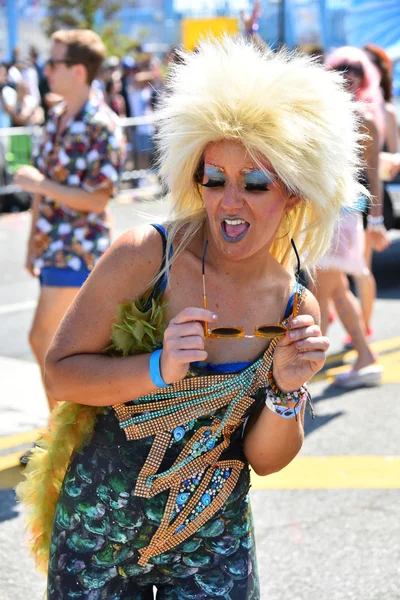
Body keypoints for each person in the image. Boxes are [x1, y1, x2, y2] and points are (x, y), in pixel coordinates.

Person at [18, 37, 361, 598]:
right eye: (214, 178)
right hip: (100, 533)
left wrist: (287, 391)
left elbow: (267, 460)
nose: (230, 201)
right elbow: (60, 372)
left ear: (295, 194)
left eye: (254, 183)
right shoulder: (143, 256)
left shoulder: (296, 307)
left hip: (213, 544)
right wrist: (156, 367)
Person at [14, 30, 123, 435]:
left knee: (46, 341)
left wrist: (40, 184)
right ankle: (67, 431)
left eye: (54, 63)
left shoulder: (103, 124)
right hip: (55, 250)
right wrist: (31, 245)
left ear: (78, 71)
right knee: (62, 348)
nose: (47, 70)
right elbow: (43, 191)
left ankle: (64, 433)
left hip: (80, 250)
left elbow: (98, 200)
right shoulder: (58, 118)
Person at [314, 46, 390, 388]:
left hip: (342, 213)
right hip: (331, 212)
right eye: (341, 67)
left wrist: (375, 222)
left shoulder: (366, 119)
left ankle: (360, 355)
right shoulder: (323, 114)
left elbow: (373, 177)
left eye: (354, 70)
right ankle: (358, 356)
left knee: (325, 289)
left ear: (364, 79)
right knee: (336, 289)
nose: (348, 74)